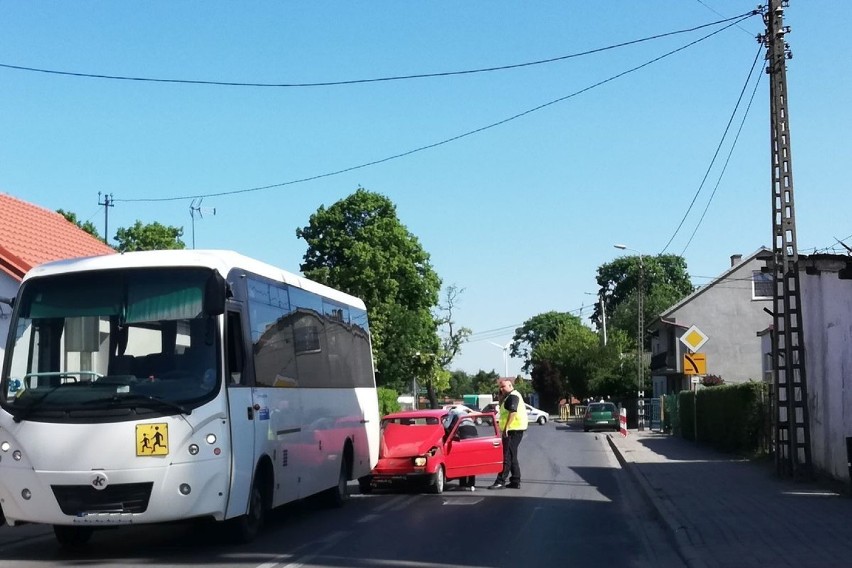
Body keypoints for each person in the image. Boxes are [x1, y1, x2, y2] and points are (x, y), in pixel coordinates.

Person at [489, 378, 529, 490]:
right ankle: (515, 480)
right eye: (500, 387)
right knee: (512, 456)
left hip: (513, 430)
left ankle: (500, 481)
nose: (501, 389)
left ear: (510, 386)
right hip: (514, 429)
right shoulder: (509, 396)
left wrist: (506, 427)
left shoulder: (513, 396)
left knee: (506, 456)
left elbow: (513, 412)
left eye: (504, 386)